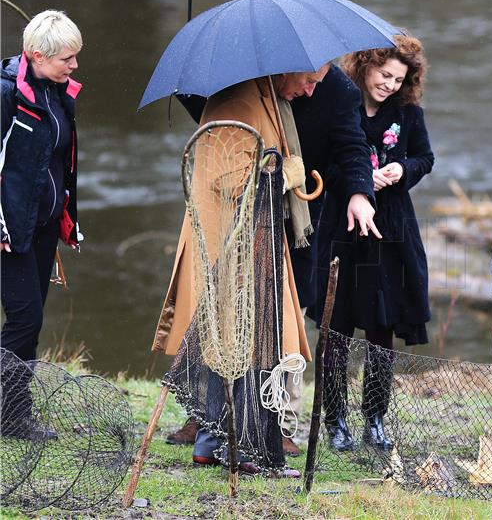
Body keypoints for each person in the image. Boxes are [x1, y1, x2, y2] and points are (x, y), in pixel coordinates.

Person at [152, 67, 325, 477]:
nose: (310, 90)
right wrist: (287, 174)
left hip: (253, 243)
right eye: (309, 80)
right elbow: (231, 181)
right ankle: (238, 447)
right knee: (239, 345)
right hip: (229, 248)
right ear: (287, 69)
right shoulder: (237, 102)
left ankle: (213, 443)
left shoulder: (266, 99)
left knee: (243, 343)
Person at [327, 33, 434, 451]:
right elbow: (323, 164)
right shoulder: (339, 105)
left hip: (392, 227)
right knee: (336, 327)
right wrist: (355, 180)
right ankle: (335, 419)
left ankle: (375, 418)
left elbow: (426, 158)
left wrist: (402, 171)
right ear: (365, 65)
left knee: (382, 327)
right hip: (343, 225)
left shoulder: (409, 114)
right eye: (384, 74)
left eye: (398, 79)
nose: (389, 84)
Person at [286, 63, 382, 452]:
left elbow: (353, 145)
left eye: (317, 82)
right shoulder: (248, 82)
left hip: (304, 213)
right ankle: (207, 418)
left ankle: (281, 423)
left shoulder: (339, 89)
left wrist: (361, 193)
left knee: (291, 308)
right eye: (305, 79)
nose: (310, 91)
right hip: (243, 205)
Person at [1, 10, 83, 439]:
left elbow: (58, 162)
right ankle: (11, 413)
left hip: (44, 225)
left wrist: (66, 214)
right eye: (67, 58)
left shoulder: (58, 93)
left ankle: (13, 416)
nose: (74, 66)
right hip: (9, 231)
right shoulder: (6, 96)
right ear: (36, 55)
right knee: (25, 319)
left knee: (31, 321)